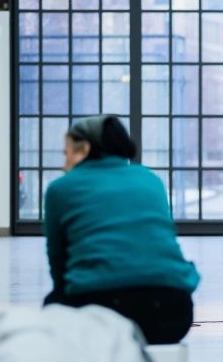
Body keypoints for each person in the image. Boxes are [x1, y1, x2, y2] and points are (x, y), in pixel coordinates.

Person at [42, 114, 200, 344]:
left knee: (52, 307)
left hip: (100, 312)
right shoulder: (150, 179)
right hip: (173, 312)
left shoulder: (61, 188)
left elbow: (58, 262)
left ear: (84, 149)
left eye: (66, 154)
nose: (63, 164)